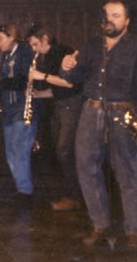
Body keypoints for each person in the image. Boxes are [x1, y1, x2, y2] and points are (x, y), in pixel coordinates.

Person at [60, 0, 137, 250]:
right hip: (91, 112)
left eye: (116, 15)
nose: (110, 19)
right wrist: (66, 67)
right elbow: (75, 77)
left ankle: (135, 230)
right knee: (86, 169)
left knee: (126, 172)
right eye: (106, 15)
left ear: (127, 21)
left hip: (123, 115)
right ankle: (100, 225)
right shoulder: (92, 45)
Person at [25, 25, 83, 211]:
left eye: (35, 44)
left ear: (45, 38)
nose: (34, 49)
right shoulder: (44, 58)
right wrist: (37, 94)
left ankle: (77, 196)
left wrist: (41, 75)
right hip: (59, 106)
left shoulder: (63, 52)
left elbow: (68, 83)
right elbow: (56, 89)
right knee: (61, 151)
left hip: (72, 105)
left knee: (65, 150)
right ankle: (73, 194)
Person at [0, 24, 37, 208]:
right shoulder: (6, 55)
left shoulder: (24, 52)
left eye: (0, 38)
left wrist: (1, 82)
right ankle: (21, 188)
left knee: (20, 149)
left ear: (11, 37)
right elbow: (5, 81)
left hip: (22, 108)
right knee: (10, 151)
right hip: (9, 109)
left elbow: (24, 79)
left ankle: (25, 192)